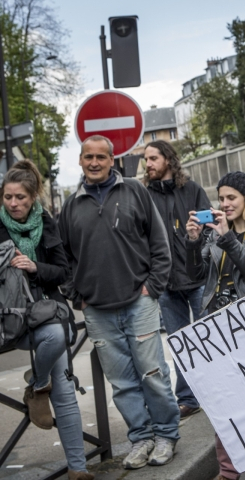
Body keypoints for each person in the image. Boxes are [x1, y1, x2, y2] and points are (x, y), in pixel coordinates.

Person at [59, 135, 179, 470]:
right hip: (97, 310)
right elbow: (64, 256)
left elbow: (159, 241)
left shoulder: (135, 192)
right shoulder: (71, 205)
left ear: (112, 160)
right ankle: (141, 439)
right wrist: (76, 294)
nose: (94, 162)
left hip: (139, 303)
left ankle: (167, 434)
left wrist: (153, 286)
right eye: (88, 157)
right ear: (80, 161)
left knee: (153, 374)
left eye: (101, 157)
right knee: (123, 383)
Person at [185, 171, 245, 480]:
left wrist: (228, 237)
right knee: (223, 400)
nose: (225, 204)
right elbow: (198, 274)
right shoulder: (214, 233)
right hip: (217, 322)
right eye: (222, 198)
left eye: (232, 198)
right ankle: (228, 471)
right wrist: (192, 243)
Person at [1, 160, 93, 480]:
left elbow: (63, 271)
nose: (14, 203)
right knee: (58, 360)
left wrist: (34, 267)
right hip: (9, 318)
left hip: (46, 313)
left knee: (58, 348)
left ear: (33, 197)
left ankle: (77, 468)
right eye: (8, 197)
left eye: (20, 198)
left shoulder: (47, 223)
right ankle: (40, 383)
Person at [144, 140, 211, 419]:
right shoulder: (144, 195)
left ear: (168, 160)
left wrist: (197, 244)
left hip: (198, 278)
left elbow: (210, 227)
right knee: (180, 342)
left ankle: (220, 391)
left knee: (209, 338)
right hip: (166, 284)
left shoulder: (192, 189)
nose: (147, 164)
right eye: (145, 160)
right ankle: (187, 397)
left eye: (152, 158)